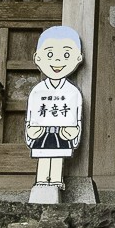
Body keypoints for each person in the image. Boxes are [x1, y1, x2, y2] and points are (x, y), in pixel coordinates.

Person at [26, 25, 84, 203]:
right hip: (42, 132)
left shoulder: (72, 92)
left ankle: (56, 181)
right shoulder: (38, 91)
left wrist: (74, 131)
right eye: (50, 54)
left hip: (62, 132)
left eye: (66, 55)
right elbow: (31, 114)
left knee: (57, 155)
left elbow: (76, 116)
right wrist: (30, 129)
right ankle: (42, 181)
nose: (58, 60)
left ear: (78, 58)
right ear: (38, 57)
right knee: (44, 156)